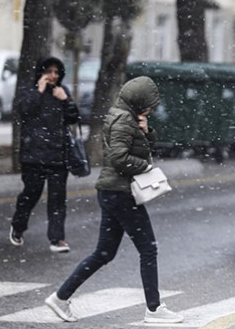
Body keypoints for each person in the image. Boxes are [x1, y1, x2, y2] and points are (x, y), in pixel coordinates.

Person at [45, 76, 183, 324]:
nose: (151, 108)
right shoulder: (123, 120)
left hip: (113, 192)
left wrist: (146, 130)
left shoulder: (126, 117)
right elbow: (119, 158)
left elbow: (137, 147)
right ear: (138, 100)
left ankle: (60, 297)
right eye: (149, 103)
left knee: (104, 252)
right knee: (148, 249)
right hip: (120, 194)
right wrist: (148, 167)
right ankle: (153, 309)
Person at [9, 57, 80, 253]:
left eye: (56, 72)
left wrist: (65, 100)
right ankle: (18, 226)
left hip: (58, 155)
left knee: (57, 199)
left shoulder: (61, 92)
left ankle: (57, 239)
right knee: (31, 193)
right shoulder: (29, 91)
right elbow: (24, 111)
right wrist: (38, 92)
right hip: (33, 155)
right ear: (41, 72)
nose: (53, 76)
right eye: (49, 71)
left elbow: (74, 117)